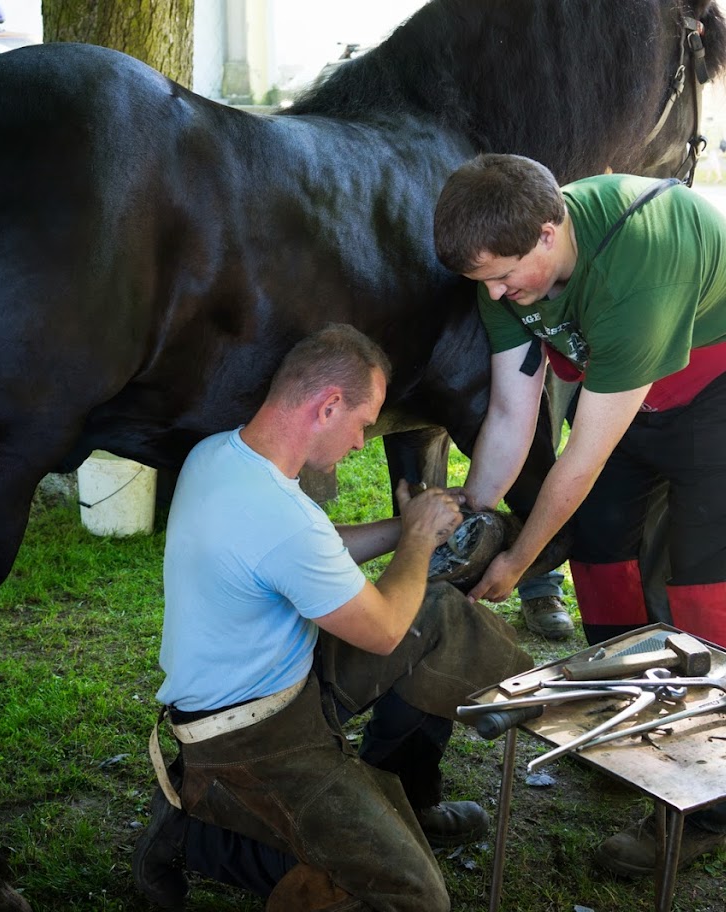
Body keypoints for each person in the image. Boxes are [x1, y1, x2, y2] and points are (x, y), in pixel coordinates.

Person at [132, 323, 533, 911]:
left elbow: (317, 546)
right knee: (414, 897)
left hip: (279, 682)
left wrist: (408, 527)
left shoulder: (219, 454)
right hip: (248, 736)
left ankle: (533, 704)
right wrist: (418, 543)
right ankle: (197, 836)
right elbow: (383, 628)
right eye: (365, 424)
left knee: (437, 611)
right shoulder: (280, 517)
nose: (363, 443)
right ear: (328, 405)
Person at [432, 153, 726, 879]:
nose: (496, 294)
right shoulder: (502, 268)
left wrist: (518, 561)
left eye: (503, 277)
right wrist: (472, 517)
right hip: (621, 385)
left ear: (547, 232)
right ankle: (618, 729)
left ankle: (706, 803)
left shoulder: (639, 264)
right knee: (601, 560)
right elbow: (511, 409)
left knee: (703, 586)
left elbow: (580, 458)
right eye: (483, 284)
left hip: (712, 394)